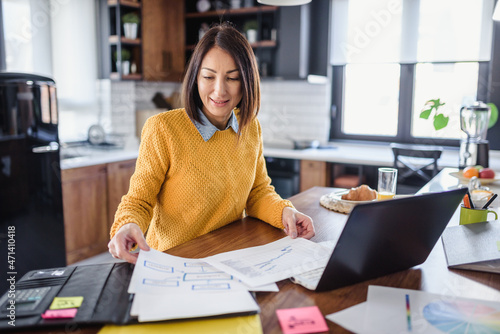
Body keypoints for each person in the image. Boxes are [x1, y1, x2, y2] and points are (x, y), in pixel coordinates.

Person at [108, 23, 315, 264]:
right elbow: (139, 200)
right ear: (195, 78)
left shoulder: (250, 127)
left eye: (233, 78)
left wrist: (285, 211)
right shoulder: (162, 128)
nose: (219, 90)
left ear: (246, 81)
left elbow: (257, 193)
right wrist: (127, 224)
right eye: (208, 76)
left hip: (231, 255)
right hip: (175, 260)